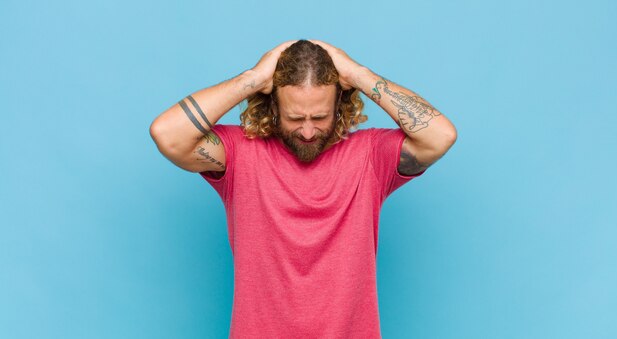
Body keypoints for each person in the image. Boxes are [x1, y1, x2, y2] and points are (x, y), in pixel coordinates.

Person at [149, 39, 457, 338]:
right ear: (273, 106)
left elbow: (440, 136)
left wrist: (359, 75)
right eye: (295, 117)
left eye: (320, 117)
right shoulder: (239, 154)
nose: (308, 131)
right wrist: (252, 79)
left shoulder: (370, 156)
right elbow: (168, 134)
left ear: (339, 105)